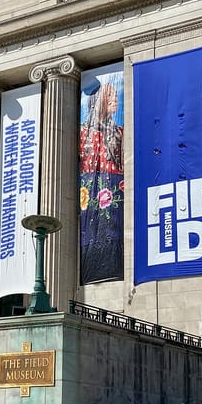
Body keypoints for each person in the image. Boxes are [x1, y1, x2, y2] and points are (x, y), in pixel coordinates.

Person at [79, 75, 124, 284]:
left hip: (116, 193)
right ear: (98, 101)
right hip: (89, 196)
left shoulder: (120, 132)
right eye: (111, 95)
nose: (116, 99)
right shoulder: (82, 133)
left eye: (116, 95)